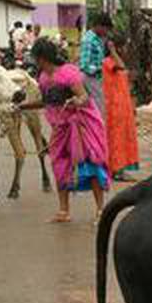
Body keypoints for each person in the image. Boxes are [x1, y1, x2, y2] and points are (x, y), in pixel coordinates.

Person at [20, 38, 109, 224]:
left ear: (43, 58)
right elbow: (46, 102)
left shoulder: (68, 73)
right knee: (59, 165)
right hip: (59, 128)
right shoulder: (43, 79)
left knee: (89, 165)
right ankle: (63, 211)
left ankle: (101, 210)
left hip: (79, 126)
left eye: (36, 58)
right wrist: (22, 106)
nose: (36, 62)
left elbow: (83, 96)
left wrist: (77, 101)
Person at [102, 37, 139, 181]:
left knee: (121, 138)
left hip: (122, 106)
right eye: (122, 47)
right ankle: (116, 170)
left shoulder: (113, 62)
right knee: (116, 139)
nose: (125, 50)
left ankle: (118, 169)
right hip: (114, 107)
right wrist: (112, 51)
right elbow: (121, 66)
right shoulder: (109, 62)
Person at [78, 12, 111, 121]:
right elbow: (85, 65)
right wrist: (101, 68)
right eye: (106, 28)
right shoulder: (89, 40)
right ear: (99, 26)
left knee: (98, 108)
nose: (106, 32)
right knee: (99, 109)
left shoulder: (98, 39)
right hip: (89, 77)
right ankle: (98, 134)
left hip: (95, 77)